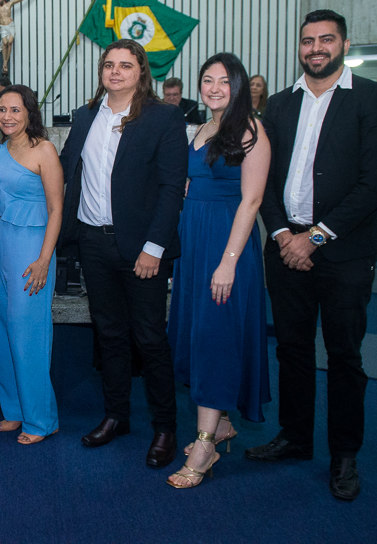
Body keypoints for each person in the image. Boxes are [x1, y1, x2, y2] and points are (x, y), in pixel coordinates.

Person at [245, 10, 377, 502]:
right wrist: (287, 234)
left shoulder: (371, 98)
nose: (315, 48)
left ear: (344, 45)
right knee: (290, 348)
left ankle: (344, 453)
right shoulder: (281, 106)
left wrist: (316, 238)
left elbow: (375, 183)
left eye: (326, 40)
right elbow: (264, 178)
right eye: (308, 40)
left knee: (344, 355)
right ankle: (295, 436)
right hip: (286, 247)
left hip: (345, 252)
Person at [58, 39, 188, 467]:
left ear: (141, 72)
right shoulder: (85, 116)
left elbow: (172, 189)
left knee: (149, 339)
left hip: (143, 250)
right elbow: (63, 169)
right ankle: (116, 416)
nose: (115, 72)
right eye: (109, 65)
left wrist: (154, 248)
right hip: (94, 243)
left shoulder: (164, 117)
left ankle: (165, 427)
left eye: (125, 65)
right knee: (109, 335)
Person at [166, 53, 271, 489]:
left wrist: (227, 263)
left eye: (223, 81)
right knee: (202, 334)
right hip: (195, 243)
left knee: (213, 339)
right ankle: (222, 422)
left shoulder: (250, 128)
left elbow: (251, 200)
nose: (213, 88)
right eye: (207, 80)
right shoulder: (202, 128)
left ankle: (205, 445)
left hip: (227, 248)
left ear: (239, 85)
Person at [0, 84, 63, 444]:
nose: (7, 116)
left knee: (26, 331)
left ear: (30, 113)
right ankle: (14, 410)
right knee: (0, 330)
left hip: (31, 247)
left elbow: (56, 209)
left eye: (15, 110)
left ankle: (41, 419)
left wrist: (45, 258)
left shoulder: (44, 150)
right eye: (2, 109)